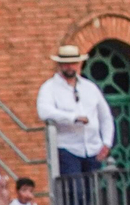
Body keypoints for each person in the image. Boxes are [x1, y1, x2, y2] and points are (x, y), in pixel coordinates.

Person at [36, 43, 113, 178]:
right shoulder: (50, 87)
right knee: (73, 187)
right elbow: (44, 111)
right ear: (60, 65)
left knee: (93, 188)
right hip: (68, 148)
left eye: (73, 63)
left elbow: (105, 116)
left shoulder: (90, 87)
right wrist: (73, 117)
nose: (70, 67)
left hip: (93, 148)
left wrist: (106, 142)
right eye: (66, 64)